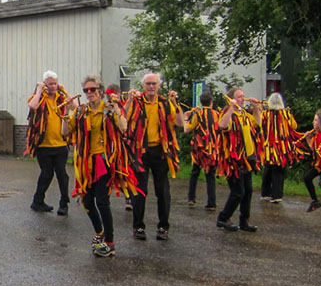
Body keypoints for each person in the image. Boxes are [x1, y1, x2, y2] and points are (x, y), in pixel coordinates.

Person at [63, 79, 136, 257]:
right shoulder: (81, 111)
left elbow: (123, 127)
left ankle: (110, 243)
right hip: (86, 163)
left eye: (93, 89)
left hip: (105, 161)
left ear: (100, 91)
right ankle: (99, 233)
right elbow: (65, 132)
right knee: (87, 202)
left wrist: (117, 108)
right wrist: (65, 112)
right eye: (86, 90)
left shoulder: (109, 109)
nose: (89, 92)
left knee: (102, 202)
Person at [124, 73, 184, 241]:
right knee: (140, 191)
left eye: (154, 84)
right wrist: (129, 100)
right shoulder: (136, 102)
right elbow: (122, 117)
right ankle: (138, 227)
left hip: (160, 151)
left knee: (163, 191)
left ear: (159, 86)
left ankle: (163, 227)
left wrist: (175, 103)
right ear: (143, 85)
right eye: (148, 84)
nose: (151, 87)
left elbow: (179, 122)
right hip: (140, 151)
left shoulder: (165, 103)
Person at [215, 87, 263, 233]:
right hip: (233, 161)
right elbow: (221, 126)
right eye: (239, 97)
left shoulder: (244, 115)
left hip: (247, 159)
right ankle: (223, 217)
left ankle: (244, 220)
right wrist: (230, 108)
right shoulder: (229, 114)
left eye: (243, 96)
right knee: (238, 192)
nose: (243, 99)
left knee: (248, 191)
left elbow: (257, 125)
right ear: (231, 99)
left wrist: (256, 109)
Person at [25, 71, 72, 215]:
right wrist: (39, 90)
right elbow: (32, 106)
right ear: (45, 84)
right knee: (46, 174)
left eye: (55, 83)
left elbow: (76, 106)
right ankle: (37, 202)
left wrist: (64, 90)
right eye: (50, 84)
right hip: (43, 145)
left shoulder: (61, 98)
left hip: (60, 145)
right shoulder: (39, 98)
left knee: (62, 174)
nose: (53, 86)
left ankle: (64, 203)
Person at [259, 93, 303, 203]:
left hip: (268, 147)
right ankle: (277, 195)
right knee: (278, 170)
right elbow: (294, 126)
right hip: (281, 147)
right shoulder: (285, 114)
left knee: (268, 169)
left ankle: (265, 193)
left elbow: (259, 126)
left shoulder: (265, 114)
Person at [184, 90, 219, 211]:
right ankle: (211, 202)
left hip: (199, 149)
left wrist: (185, 118)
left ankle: (191, 198)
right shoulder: (217, 114)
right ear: (211, 102)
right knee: (210, 175)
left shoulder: (197, 114)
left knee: (195, 173)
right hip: (212, 149)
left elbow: (187, 129)